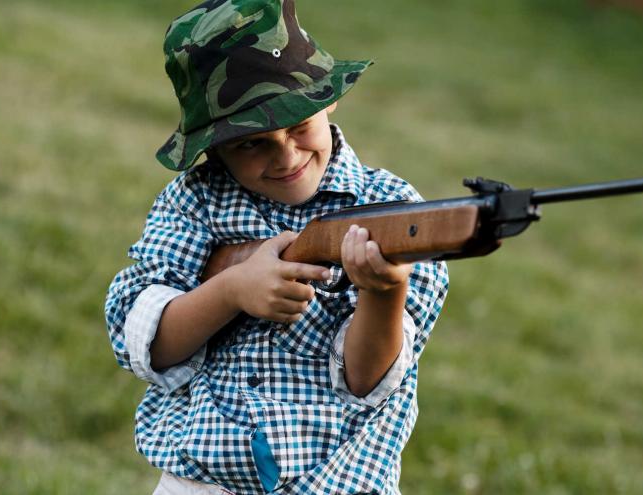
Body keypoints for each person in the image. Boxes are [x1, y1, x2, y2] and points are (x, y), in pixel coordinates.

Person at [103, 1, 449, 493]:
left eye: (298, 126)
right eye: (252, 143)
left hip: (336, 482)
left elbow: (365, 382)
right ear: (214, 147)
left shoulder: (393, 210)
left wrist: (384, 291)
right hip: (200, 483)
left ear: (328, 102)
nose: (286, 156)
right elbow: (144, 342)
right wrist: (231, 291)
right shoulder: (195, 203)